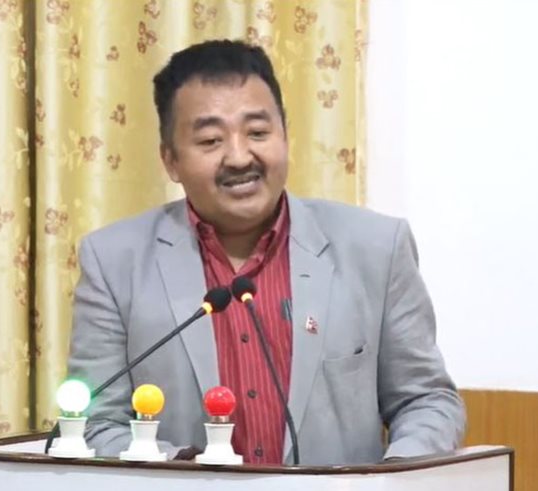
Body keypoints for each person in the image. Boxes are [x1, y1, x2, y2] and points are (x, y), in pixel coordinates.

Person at [67, 39, 465, 465]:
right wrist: (182, 469)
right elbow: (95, 423)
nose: (240, 157)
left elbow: (427, 401)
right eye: (210, 140)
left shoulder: (376, 248)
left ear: (285, 136)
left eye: (258, 132)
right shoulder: (113, 262)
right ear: (171, 161)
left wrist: (392, 478)